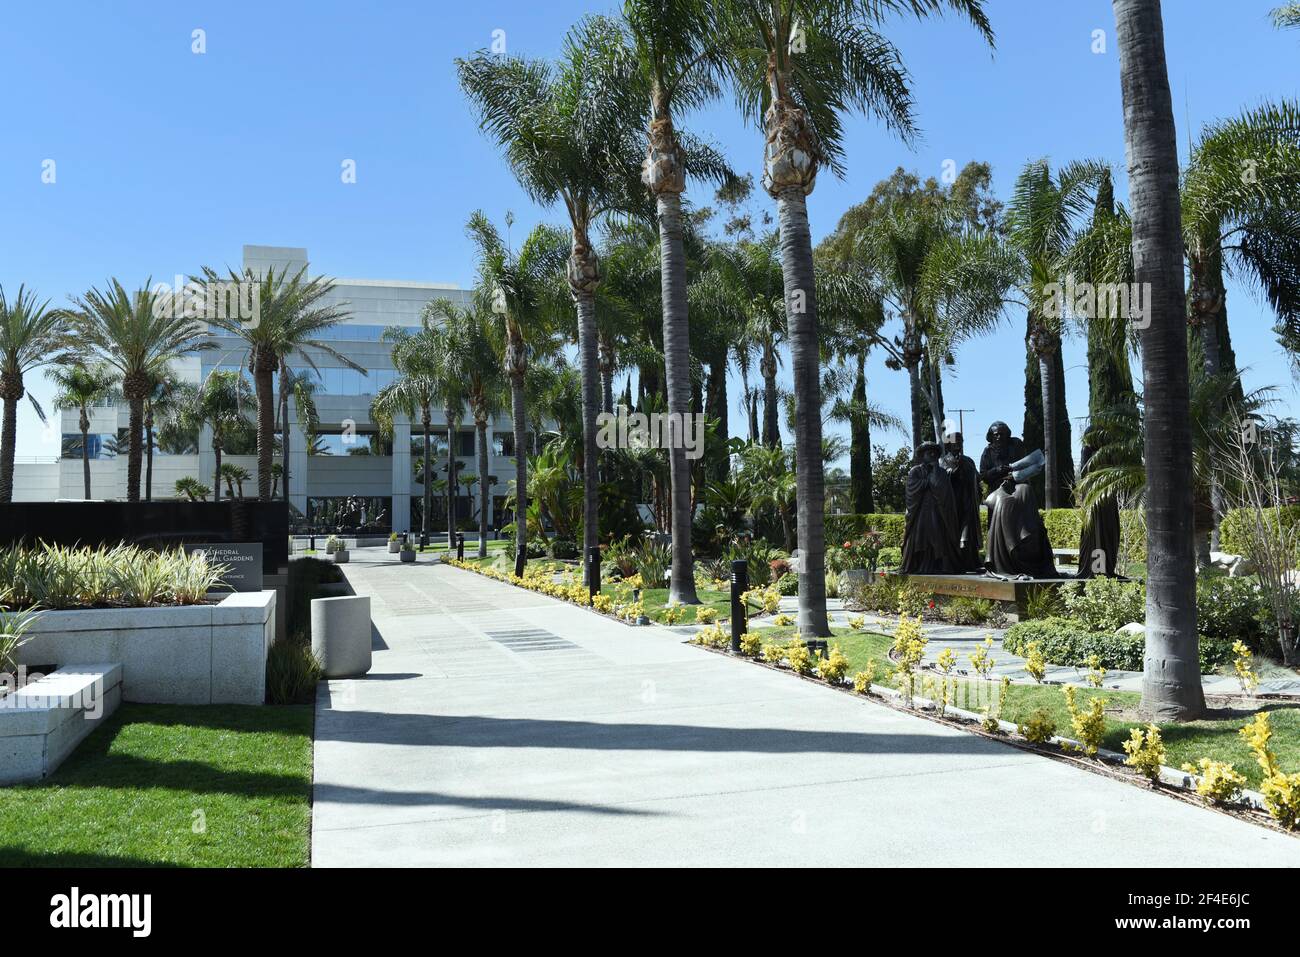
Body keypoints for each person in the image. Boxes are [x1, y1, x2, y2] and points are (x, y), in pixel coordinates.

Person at [979, 421, 1058, 579]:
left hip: (1018, 486)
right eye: (996, 434)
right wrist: (997, 471)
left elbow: (1028, 464)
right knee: (1000, 511)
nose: (999, 437)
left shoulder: (1016, 445)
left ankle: (1026, 544)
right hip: (997, 491)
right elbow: (983, 475)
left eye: (1002, 433)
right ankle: (999, 559)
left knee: (1025, 495)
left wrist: (1013, 473)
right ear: (991, 437)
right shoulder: (987, 452)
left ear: (1008, 434)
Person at [901, 441, 964, 574]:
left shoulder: (940, 472)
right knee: (920, 539)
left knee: (939, 538)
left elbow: (945, 491)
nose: (932, 455)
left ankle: (941, 565)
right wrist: (928, 482)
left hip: (938, 511)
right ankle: (919, 564)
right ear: (922, 455)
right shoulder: (915, 471)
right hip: (920, 513)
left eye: (934, 452)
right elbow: (911, 490)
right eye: (929, 452)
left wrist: (934, 474)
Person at [1075, 435, 1121, 578]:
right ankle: (1097, 569)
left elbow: (1115, 471)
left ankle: (1105, 568)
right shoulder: (1088, 450)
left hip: (1107, 495)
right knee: (1096, 536)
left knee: (1108, 533)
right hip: (1095, 495)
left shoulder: (1109, 452)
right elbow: (1085, 473)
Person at [942, 431, 983, 572]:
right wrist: (953, 471)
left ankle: (971, 562)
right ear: (949, 444)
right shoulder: (944, 461)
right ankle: (955, 563)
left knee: (969, 531)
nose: (958, 444)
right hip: (953, 503)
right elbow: (942, 479)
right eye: (955, 441)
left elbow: (977, 478)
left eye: (960, 441)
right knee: (954, 532)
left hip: (968, 500)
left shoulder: (968, 460)